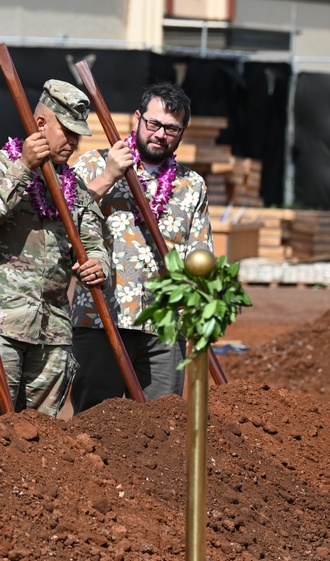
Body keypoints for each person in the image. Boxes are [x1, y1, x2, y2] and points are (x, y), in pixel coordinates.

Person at [0, 79, 109, 418]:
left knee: (41, 440)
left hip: (53, 334)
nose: (73, 143)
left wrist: (99, 264)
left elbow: (94, 241)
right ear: (41, 124)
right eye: (67, 132)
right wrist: (24, 168)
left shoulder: (73, 187)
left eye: (78, 135)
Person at [70, 81, 212, 413]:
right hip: (101, 318)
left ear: (182, 133)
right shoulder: (92, 164)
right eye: (154, 124)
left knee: (161, 427)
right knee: (92, 422)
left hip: (163, 329)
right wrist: (109, 175)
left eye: (172, 129)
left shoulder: (191, 186)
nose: (161, 134)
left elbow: (200, 254)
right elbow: (64, 221)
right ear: (137, 119)